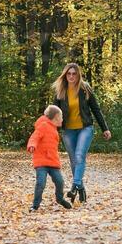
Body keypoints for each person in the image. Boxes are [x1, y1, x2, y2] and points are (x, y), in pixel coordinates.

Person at [50, 62, 110, 205]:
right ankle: (81, 188)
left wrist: (105, 128)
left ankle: (74, 186)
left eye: (74, 74)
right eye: (69, 74)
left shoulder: (85, 89)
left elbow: (96, 109)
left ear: (78, 75)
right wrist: (50, 130)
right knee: (74, 161)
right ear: (65, 75)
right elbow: (53, 112)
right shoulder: (60, 91)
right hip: (68, 130)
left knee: (79, 156)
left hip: (85, 128)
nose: (71, 76)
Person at [27, 105, 73, 211]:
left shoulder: (54, 130)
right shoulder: (43, 126)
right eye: (61, 117)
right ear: (56, 117)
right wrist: (32, 145)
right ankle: (35, 205)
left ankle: (60, 199)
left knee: (60, 181)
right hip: (41, 162)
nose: (62, 120)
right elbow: (35, 137)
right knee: (41, 183)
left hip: (53, 162)